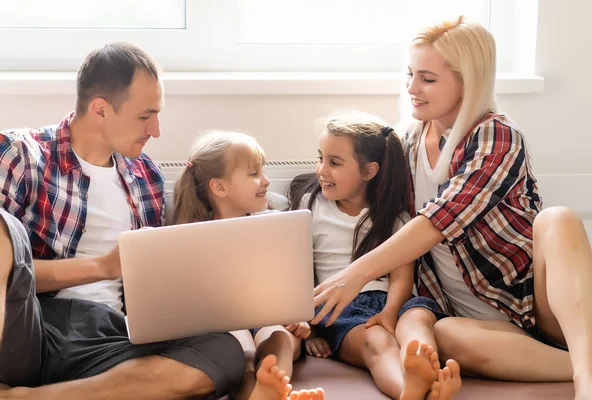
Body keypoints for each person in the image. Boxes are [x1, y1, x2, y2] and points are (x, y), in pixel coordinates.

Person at [312, 16, 592, 400]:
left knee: (558, 219)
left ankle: (589, 381)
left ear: (467, 84)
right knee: (441, 333)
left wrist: (355, 275)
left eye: (427, 79)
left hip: (534, 303)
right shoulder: (407, 143)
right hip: (478, 327)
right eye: (410, 74)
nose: (413, 88)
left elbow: (440, 220)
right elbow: (354, 177)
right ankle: (585, 364)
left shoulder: (496, 135)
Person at [0, 42, 245, 400]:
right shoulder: (23, 155)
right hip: (31, 328)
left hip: (113, 336)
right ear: (100, 109)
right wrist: (102, 266)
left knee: (223, 351)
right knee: (4, 230)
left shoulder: (147, 176)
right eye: (146, 116)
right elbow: (7, 270)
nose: (156, 130)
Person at [288, 111, 451, 400]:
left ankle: (425, 369)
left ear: (369, 171)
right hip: (342, 308)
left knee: (418, 320)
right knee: (377, 342)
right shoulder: (310, 205)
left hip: (395, 300)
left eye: (334, 162)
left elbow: (402, 276)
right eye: (321, 158)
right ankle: (408, 390)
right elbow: (296, 271)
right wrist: (309, 331)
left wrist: (390, 313)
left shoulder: (393, 217)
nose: (322, 170)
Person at [171, 131, 325, 400]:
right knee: (238, 349)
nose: (266, 181)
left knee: (280, 339)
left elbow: (288, 286)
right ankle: (254, 393)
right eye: (254, 174)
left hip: (269, 320)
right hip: (225, 326)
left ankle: (275, 388)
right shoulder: (192, 236)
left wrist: (295, 316)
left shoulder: (276, 225)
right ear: (219, 187)